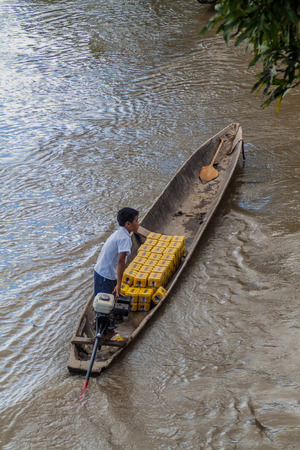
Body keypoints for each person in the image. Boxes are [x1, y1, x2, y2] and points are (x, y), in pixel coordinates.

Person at [94, 207, 139, 298]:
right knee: (104, 303)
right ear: (128, 224)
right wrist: (119, 284)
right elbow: (121, 260)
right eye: (137, 221)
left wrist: (116, 281)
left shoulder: (119, 233)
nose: (139, 224)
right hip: (105, 276)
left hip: (101, 271)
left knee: (107, 300)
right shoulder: (124, 238)